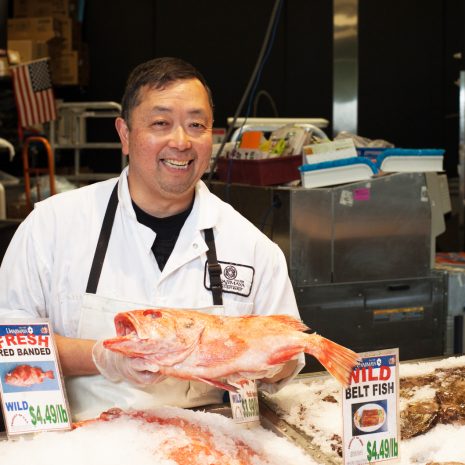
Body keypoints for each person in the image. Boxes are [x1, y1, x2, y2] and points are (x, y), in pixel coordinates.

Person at [0, 57, 304, 421]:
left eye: (197, 125)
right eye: (160, 123)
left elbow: (288, 361)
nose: (181, 141)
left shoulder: (253, 248)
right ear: (125, 135)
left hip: (210, 447)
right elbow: (9, 346)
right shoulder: (50, 227)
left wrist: (262, 363)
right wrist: (103, 356)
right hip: (85, 446)